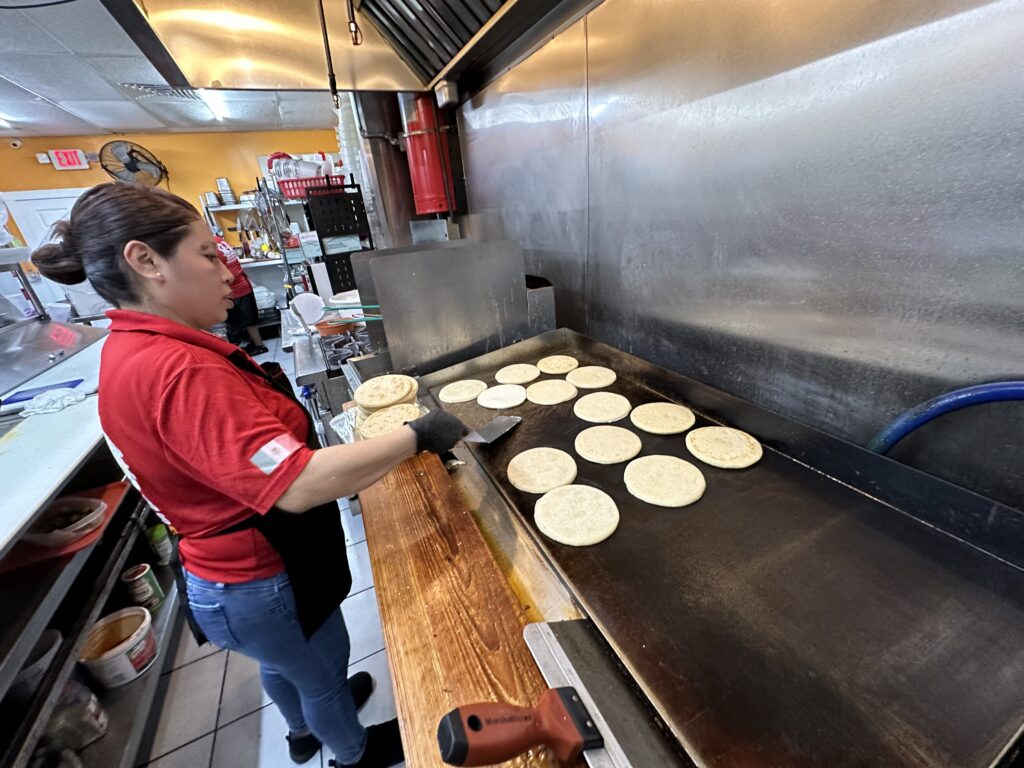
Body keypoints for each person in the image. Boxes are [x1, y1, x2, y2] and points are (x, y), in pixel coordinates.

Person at [32, 182, 467, 768]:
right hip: (257, 579)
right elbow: (298, 483)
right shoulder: (177, 370)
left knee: (286, 663)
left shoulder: (132, 349)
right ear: (145, 261)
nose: (229, 273)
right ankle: (350, 749)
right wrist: (416, 435)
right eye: (209, 255)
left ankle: (302, 730)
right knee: (320, 672)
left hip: (223, 581)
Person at [214, 232, 268, 355]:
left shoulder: (209, 246)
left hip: (235, 289)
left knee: (240, 321)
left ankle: (256, 346)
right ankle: (255, 344)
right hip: (242, 283)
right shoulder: (218, 240)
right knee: (248, 319)